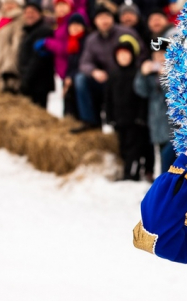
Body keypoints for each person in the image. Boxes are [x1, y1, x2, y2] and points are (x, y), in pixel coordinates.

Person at [73, 5, 145, 132]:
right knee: (80, 79)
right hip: (105, 80)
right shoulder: (92, 40)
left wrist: (128, 71)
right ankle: (89, 121)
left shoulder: (126, 33)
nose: (104, 21)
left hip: (125, 79)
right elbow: (84, 63)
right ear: (95, 21)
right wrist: (94, 72)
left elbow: (142, 55)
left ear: (113, 18)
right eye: (100, 18)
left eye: (107, 17)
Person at [105, 37, 150, 180]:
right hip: (119, 118)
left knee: (134, 147)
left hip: (134, 120)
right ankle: (126, 170)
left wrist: (141, 116)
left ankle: (132, 173)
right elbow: (107, 98)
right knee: (122, 146)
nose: (123, 57)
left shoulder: (137, 73)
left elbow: (142, 97)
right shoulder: (113, 74)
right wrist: (109, 116)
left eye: (126, 54)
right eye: (120, 55)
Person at [134, 39, 175, 175]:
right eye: (156, 56)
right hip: (157, 123)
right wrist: (142, 74)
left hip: (174, 124)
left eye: (162, 54)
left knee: (168, 156)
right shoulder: (151, 76)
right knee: (163, 156)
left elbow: (174, 94)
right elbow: (141, 91)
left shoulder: (177, 71)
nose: (159, 59)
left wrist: (166, 77)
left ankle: (166, 184)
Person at [18, 1, 55, 107]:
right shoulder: (28, 31)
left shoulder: (44, 31)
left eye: (33, 12)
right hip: (29, 81)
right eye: (27, 12)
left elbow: (38, 60)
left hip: (38, 84)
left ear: (39, 14)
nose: (29, 15)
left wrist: (26, 81)